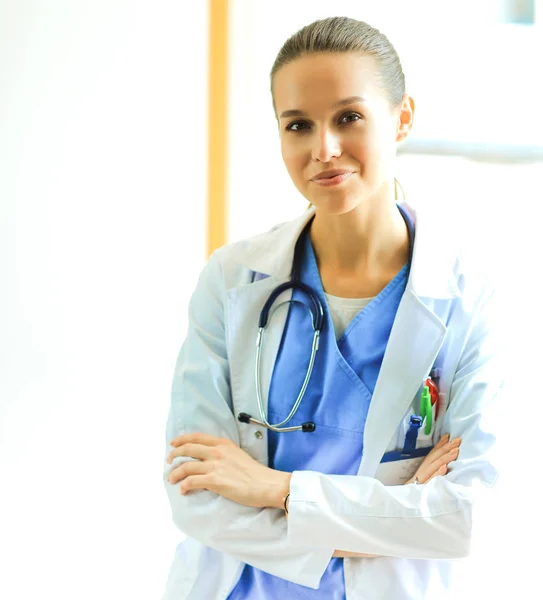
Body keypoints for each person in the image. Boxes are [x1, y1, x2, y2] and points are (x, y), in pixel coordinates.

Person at [162, 16, 503, 600]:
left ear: (402, 118)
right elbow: (198, 496)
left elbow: (466, 516)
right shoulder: (231, 280)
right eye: (299, 125)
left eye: (349, 117)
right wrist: (395, 518)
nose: (323, 149)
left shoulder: (469, 293)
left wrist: (275, 489)